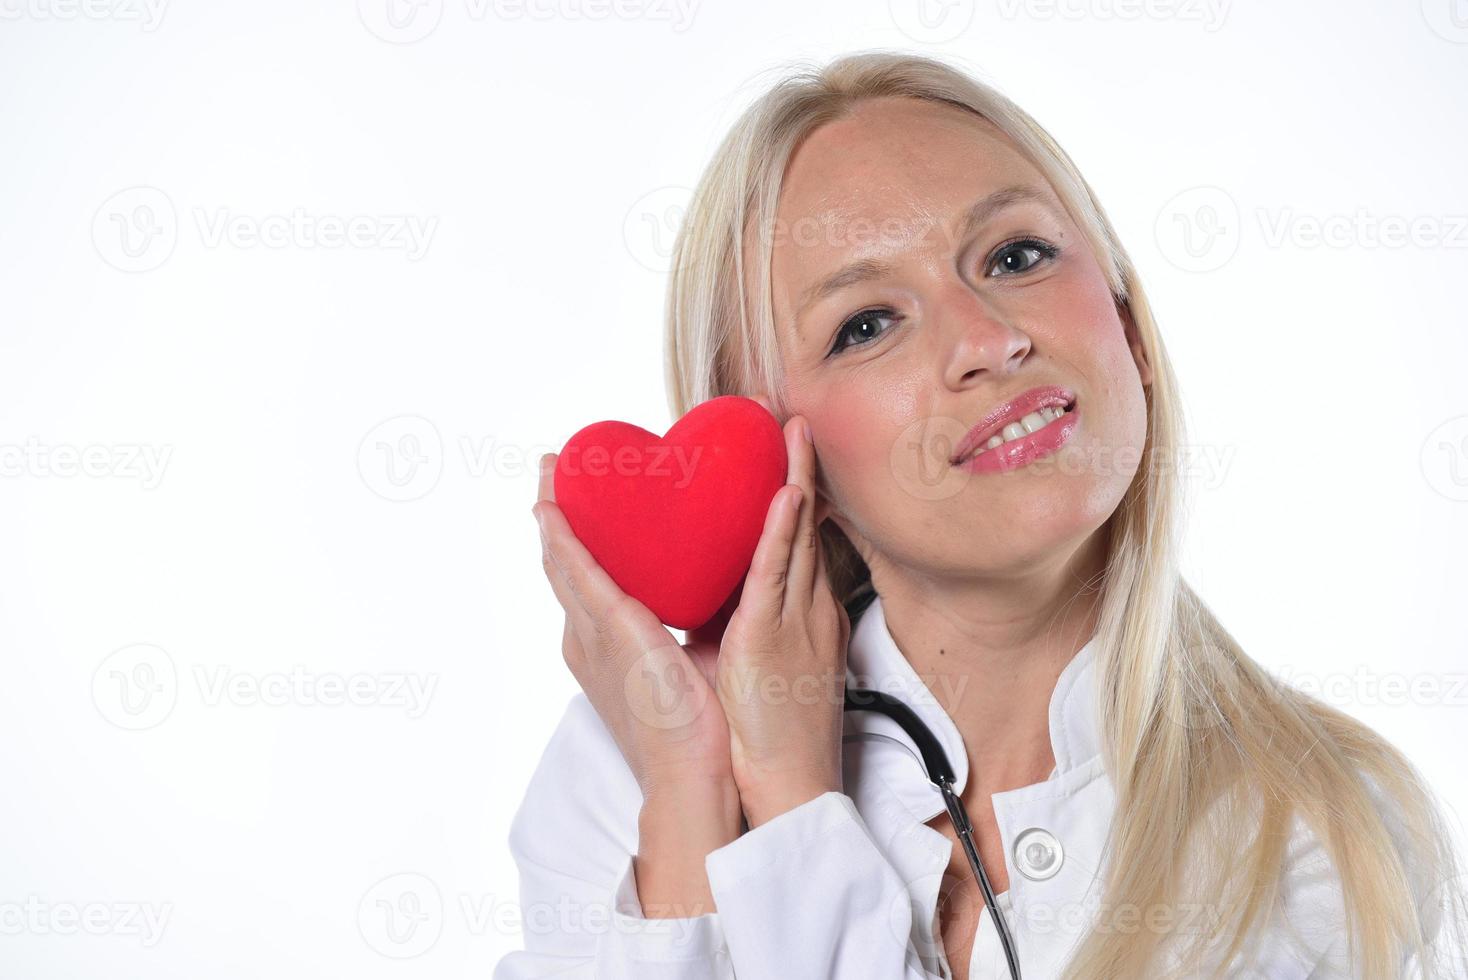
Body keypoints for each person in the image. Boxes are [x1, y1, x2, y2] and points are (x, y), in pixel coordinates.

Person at [501, 50, 1467, 979]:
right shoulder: (631, 762)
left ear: (1127, 327)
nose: (990, 340)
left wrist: (794, 804)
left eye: (1016, 255)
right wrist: (686, 798)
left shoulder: (1318, 826)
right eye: (866, 324)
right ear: (778, 452)